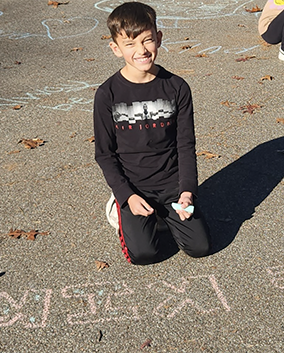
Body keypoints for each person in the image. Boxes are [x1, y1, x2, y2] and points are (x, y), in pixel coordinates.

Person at [93, 2, 210, 265]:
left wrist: (188, 191)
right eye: (130, 44)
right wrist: (127, 195)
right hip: (134, 186)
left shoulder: (177, 87)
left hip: (172, 185)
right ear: (116, 48)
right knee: (144, 254)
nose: (141, 50)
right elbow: (104, 154)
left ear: (158, 38)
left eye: (147, 40)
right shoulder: (107, 94)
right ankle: (119, 207)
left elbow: (185, 145)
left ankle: (163, 212)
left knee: (199, 246)